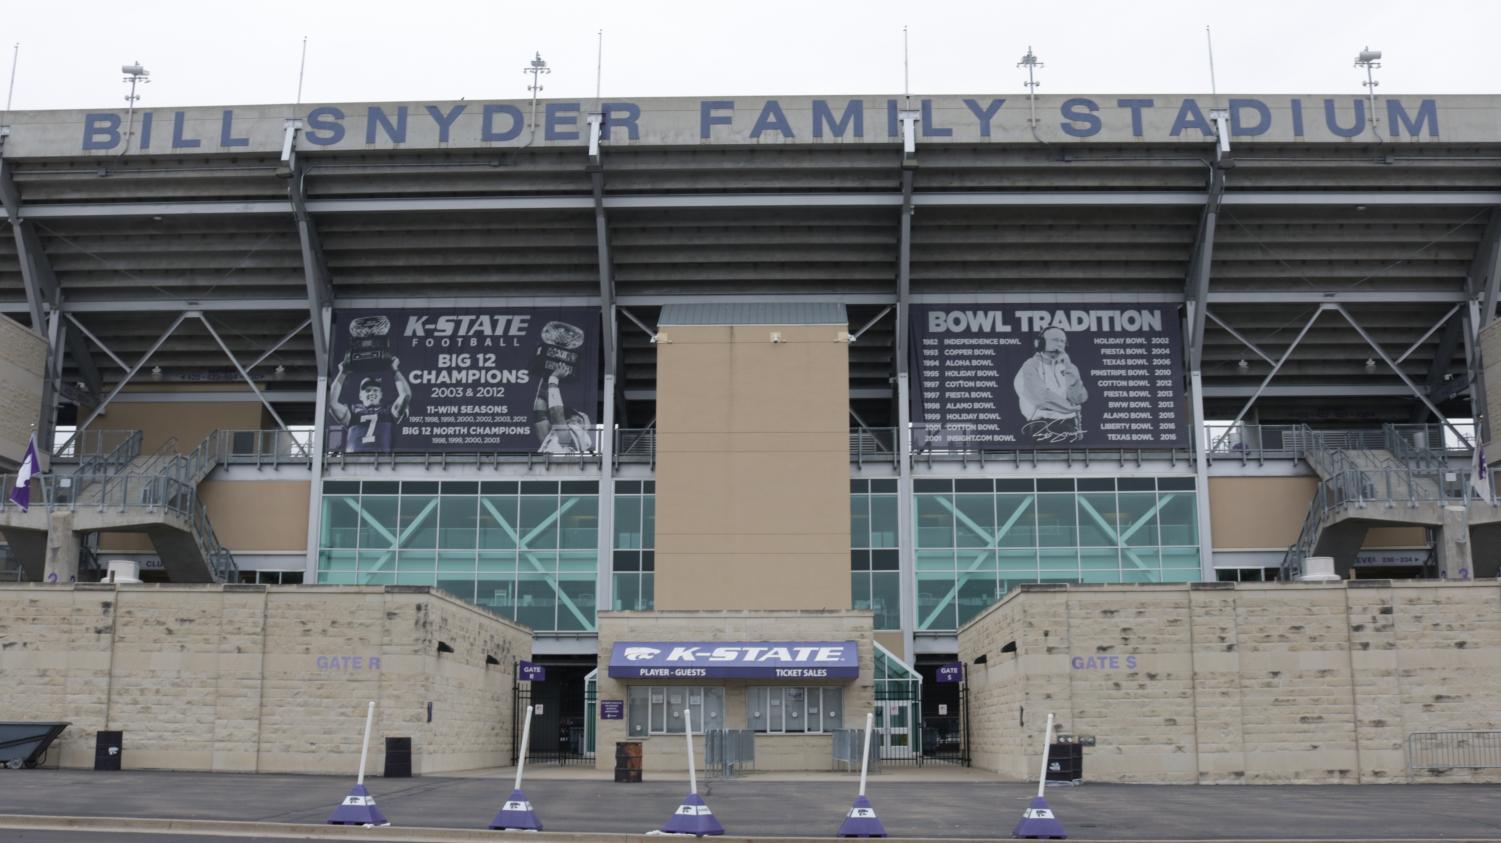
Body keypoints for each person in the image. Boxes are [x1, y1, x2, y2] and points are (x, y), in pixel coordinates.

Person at [1013, 326, 1089, 444]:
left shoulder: (1070, 367)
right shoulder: (1030, 365)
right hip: (1040, 426)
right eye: (1054, 340)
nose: (1059, 344)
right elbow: (1041, 398)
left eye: (1062, 341)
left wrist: (1069, 369)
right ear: (1041, 343)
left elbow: (1079, 398)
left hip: (1068, 425)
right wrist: (1071, 408)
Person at [329, 356, 412, 452]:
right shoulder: (352, 412)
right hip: (354, 461)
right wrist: (342, 373)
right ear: (360, 396)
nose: (372, 393)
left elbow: (405, 395)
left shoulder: (389, 411)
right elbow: (332, 402)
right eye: (367, 390)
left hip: (381, 461)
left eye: (375, 390)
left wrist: (395, 370)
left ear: (381, 395)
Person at [533, 371, 594, 454]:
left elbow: (556, 412)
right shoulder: (554, 436)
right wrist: (546, 378)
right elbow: (539, 414)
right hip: (547, 464)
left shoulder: (575, 434)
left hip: (553, 465)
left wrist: (553, 379)